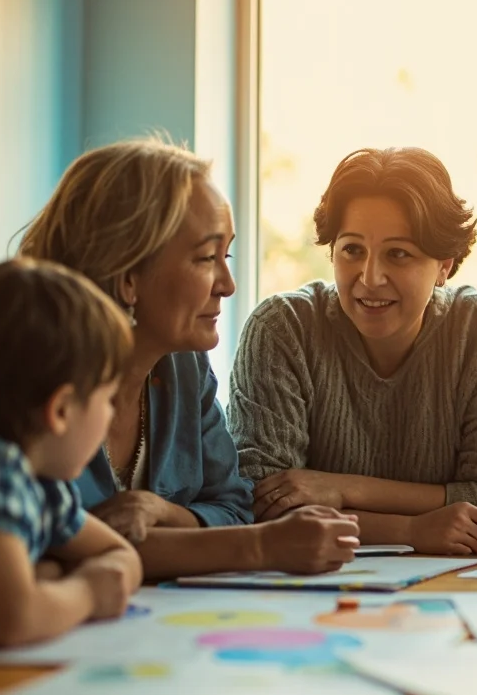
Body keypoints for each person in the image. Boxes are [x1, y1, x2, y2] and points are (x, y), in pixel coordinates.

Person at [20, 139, 359, 579]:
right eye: (205, 258)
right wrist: (257, 548)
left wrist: (158, 510)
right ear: (128, 278)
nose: (228, 285)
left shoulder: (183, 365)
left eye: (227, 255)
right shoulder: (20, 384)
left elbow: (234, 507)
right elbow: (46, 549)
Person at [229, 147, 477, 555]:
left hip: (469, 580)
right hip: (319, 579)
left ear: (445, 265)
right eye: (352, 250)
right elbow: (263, 503)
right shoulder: (282, 329)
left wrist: (340, 488)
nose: (370, 278)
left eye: (399, 254)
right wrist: (410, 531)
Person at [0, 259, 143, 645]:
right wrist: (86, 593)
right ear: (62, 410)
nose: (111, 413)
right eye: (108, 399)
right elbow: (14, 619)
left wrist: (48, 581)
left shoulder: (41, 483)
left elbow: (122, 556)